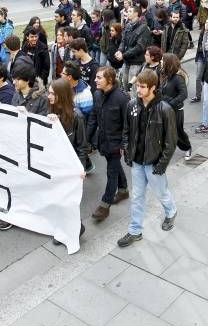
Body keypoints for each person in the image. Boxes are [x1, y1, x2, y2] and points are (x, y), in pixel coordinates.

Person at [117, 69, 178, 248]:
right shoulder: (132, 105)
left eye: (142, 87)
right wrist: (128, 152)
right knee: (137, 196)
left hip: (154, 162)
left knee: (161, 193)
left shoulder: (165, 110)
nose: (138, 90)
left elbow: (171, 141)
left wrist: (162, 165)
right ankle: (135, 231)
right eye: (137, 86)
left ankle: (171, 211)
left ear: (153, 88)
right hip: (137, 161)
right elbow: (126, 131)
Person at [30, 78, 90, 242]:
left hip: (68, 167)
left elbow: (82, 146)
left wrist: (81, 168)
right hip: (53, 164)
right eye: (48, 92)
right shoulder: (49, 111)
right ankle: (67, 228)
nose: (48, 96)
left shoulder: (77, 117)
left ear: (61, 95)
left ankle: (76, 228)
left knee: (67, 200)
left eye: (51, 93)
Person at [87, 66, 131, 223]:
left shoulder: (122, 98)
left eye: (99, 78)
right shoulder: (97, 94)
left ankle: (105, 206)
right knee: (114, 165)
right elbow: (93, 116)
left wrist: (123, 146)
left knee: (111, 172)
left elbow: (129, 125)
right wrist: (88, 138)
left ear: (110, 80)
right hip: (103, 141)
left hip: (116, 144)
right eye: (96, 77)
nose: (95, 80)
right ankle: (124, 189)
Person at [160, 53, 192, 160]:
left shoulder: (178, 78)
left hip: (175, 110)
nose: (160, 62)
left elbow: (184, 94)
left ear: (168, 63)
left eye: (162, 61)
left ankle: (187, 147)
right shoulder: (164, 75)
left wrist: (171, 103)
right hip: (164, 108)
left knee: (178, 132)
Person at [116, 6, 151, 93]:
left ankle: (136, 105)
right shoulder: (128, 25)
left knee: (134, 88)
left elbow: (139, 47)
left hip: (137, 62)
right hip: (126, 60)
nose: (127, 13)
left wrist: (123, 55)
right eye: (128, 11)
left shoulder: (144, 28)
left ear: (136, 13)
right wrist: (119, 50)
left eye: (130, 11)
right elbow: (123, 41)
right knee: (124, 85)